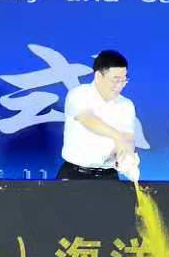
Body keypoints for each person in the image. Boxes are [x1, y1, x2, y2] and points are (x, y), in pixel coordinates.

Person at [59, 50, 142, 180]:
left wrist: (126, 155)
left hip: (108, 175)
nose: (120, 86)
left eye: (124, 80)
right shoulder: (79, 94)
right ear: (98, 76)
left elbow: (128, 137)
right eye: (115, 80)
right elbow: (87, 119)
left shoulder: (126, 105)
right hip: (75, 174)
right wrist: (118, 136)